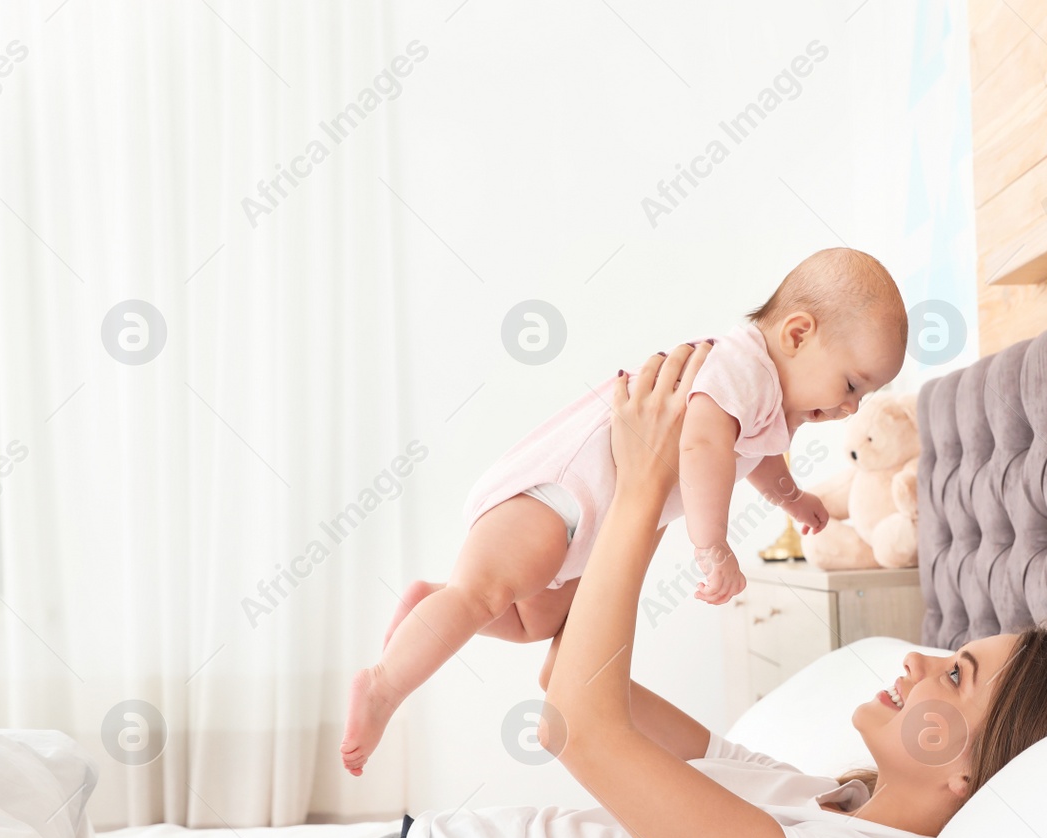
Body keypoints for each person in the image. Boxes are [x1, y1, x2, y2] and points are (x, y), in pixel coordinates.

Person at [44, 343, 1047, 838]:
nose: (916, 664)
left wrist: (650, 491)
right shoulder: (829, 799)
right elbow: (596, 693)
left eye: (956, 676)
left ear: (971, 772)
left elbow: (579, 729)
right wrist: (551, 612)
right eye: (946, 651)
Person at [341, 248, 910, 776]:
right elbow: (704, 447)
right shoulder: (742, 366)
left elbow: (756, 456)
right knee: (482, 596)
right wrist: (711, 544)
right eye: (852, 383)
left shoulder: (765, 400)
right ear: (798, 332)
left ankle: (429, 604)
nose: (849, 407)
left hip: (588, 530)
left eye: (862, 397)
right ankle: (382, 686)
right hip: (558, 494)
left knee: (532, 622)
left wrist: (793, 498)